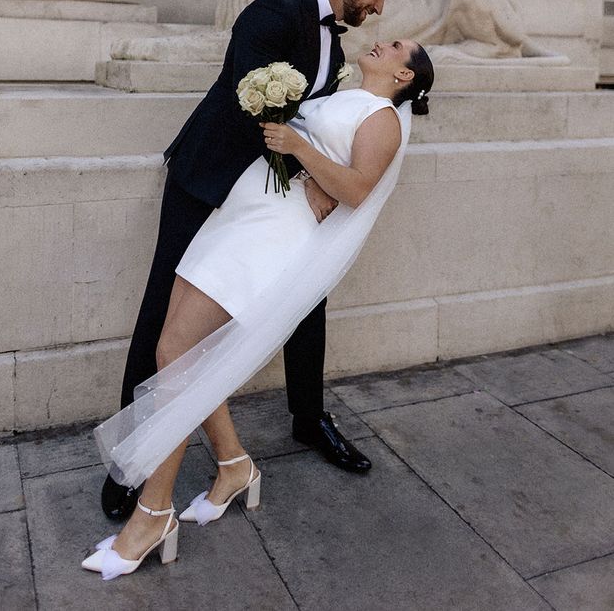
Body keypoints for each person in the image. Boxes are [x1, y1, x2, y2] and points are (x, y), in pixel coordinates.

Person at [83, 37, 434, 580]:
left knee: (176, 350)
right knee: (181, 352)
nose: (381, 43)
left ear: (405, 77)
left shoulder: (384, 117)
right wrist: (295, 154)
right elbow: (300, 157)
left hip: (272, 237)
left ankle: (153, 515)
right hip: (241, 214)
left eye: (395, 48)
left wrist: (301, 150)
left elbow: (359, 189)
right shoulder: (341, 91)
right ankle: (233, 466)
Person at [101, 0, 407, 523]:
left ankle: (309, 417)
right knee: (162, 312)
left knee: (305, 301)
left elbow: (312, 124)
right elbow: (255, 107)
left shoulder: (336, 55)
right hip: (209, 180)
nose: (379, 6)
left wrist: (318, 182)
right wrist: (310, 177)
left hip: (271, 203)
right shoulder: (272, 12)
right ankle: (129, 463)